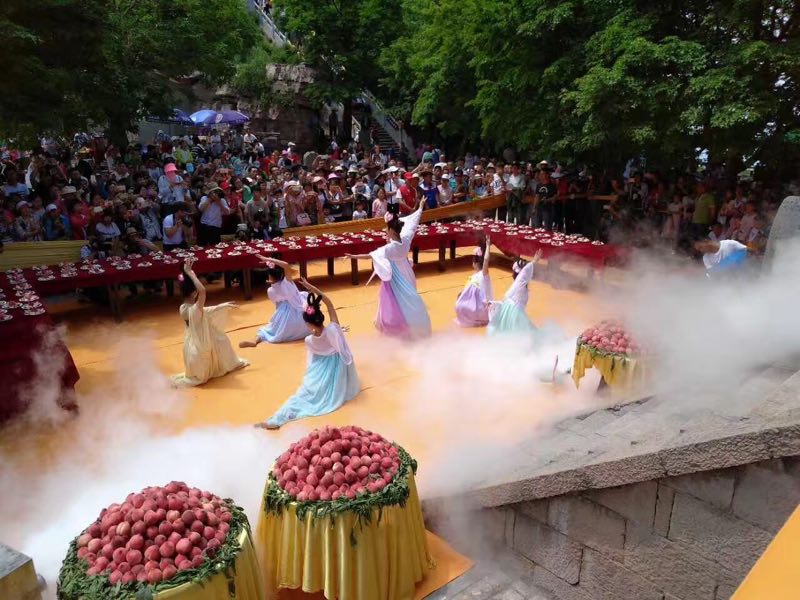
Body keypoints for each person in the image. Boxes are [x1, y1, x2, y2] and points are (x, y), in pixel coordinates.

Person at [255, 279, 359, 430]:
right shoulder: (333, 329)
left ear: (309, 325)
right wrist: (312, 288)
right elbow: (329, 303)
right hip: (338, 369)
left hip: (321, 371)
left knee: (303, 394)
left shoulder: (309, 340)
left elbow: (313, 360)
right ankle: (277, 419)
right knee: (309, 396)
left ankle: (278, 418)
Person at [345, 199, 432, 339]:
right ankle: (413, 325)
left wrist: (353, 256)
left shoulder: (389, 248)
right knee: (409, 299)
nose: (385, 231)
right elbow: (414, 221)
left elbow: (370, 255)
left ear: (391, 230)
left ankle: (397, 329)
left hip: (396, 277)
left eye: (386, 229)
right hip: (407, 272)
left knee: (395, 302)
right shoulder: (406, 238)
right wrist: (420, 206)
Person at [171, 257, 249, 387]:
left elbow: (204, 310)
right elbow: (202, 292)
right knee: (222, 339)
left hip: (190, 347)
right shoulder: (195, 309)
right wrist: (190, 273)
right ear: (194, 293)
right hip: (199, 349)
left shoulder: (183, 308)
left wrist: (221, 306)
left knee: (220, 339)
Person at [239, 256, 308, 346]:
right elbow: (285, 265)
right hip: (303, 321)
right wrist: (269, 259)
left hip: (287, 322)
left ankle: (255, 340)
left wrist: (276, 320)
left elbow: (278, 306)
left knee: (266, 330)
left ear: (270, 276)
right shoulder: (287, 282)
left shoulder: (271, 291)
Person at [488, 250, 543, 336]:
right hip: (515, 312)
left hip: (511, 309)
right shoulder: (521, 280)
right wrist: (534, 261)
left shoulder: (519, 282)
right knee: (524, 334)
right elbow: (525, 272)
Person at [455, 238, 494, 327]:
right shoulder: (474, 276)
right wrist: (460, 294)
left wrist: (488, 245)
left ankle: (477, 318)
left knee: (461, 306)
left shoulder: (483, 274)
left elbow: (486, 259)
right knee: (459, 305)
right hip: (476, 308)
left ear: (475, 263)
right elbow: (466, 289)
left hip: (482, 309)